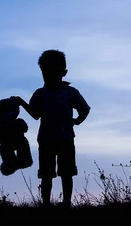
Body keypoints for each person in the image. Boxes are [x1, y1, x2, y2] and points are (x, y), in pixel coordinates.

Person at [12, 49, 90, 208]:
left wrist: (76, 121)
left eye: (52, 72)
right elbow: (35, 114)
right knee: (46, 174)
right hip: (46, 139)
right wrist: (21, 102)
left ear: (63, 72)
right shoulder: (40, 94)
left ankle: (66, 203)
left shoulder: (71, 92)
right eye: (45, 72)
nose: (48, 76)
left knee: (66, 173)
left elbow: (85, 109)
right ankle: (45, 203)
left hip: (66, 138)